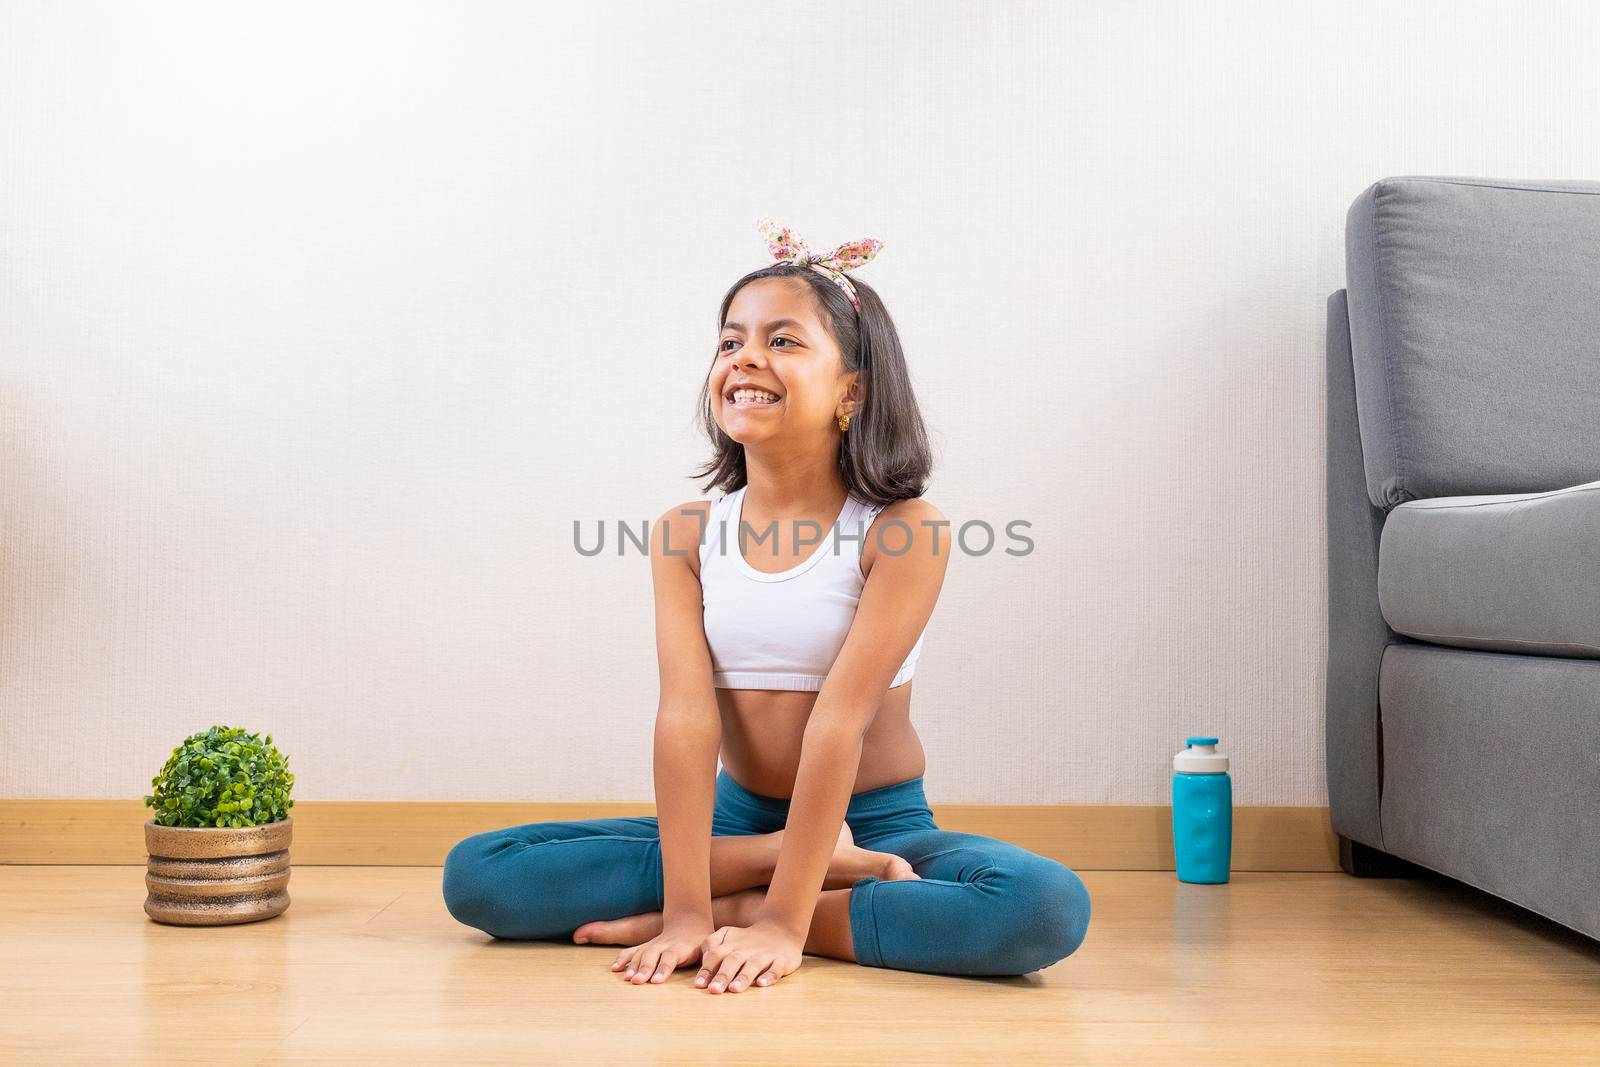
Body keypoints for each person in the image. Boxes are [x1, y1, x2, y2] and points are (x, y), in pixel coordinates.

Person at [442, 219, 1091, 992]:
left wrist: (780, 921)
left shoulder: (903, 531)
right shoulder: (686, 534)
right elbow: (686, 718)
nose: (745, 357)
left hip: (880, 823)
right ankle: (770, 872)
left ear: (852, 389)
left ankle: (760, 901)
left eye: (783, 341)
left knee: (1045, 907)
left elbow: (839, 722)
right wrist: (685, 907)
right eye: (729, 342)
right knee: (479, 874)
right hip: (732, 824)